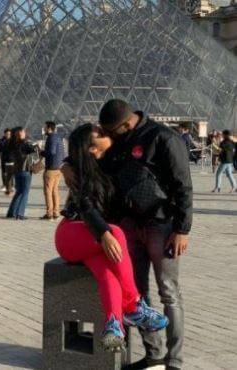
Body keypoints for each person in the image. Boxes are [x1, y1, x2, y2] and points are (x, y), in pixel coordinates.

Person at [63, 100, 192, 370]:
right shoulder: (120, 139)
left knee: (169, 292)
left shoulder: (163, 137)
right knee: (137, 291)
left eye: (111, 131)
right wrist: (66, 165)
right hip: (130, 225)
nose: (108, 135)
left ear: (126, 124)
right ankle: (153, 354)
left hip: (162, 225)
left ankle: (174, 361)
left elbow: (183, 185)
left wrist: (182, 229)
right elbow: (86, 153)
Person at [57, 124, 168, 352]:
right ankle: (134, 305)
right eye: (102, 133)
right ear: (91, 148)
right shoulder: (80, 171)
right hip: (72, 233)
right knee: (116, 233)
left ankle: (114, 326)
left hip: (93, 242)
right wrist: (104, 234)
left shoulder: (106, 163)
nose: (107, 133)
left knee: (108, 273)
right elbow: (86, 207)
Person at [6, 127, 38, 220]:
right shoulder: (24, 143)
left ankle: (11, 212)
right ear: (19, 133)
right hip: (25, 170)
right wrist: (36, 146)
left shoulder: (12, 144)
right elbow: (35, 150)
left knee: (19, 191)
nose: (25, 132)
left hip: (17, 171)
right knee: (25, 192)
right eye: (23, 131)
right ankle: (20, 213)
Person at [40, 121, 65, 221]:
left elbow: (51, 151)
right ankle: (56, 212)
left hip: (51, 169)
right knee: (55, 191)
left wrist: (42, 152)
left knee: (48, 192)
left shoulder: (51, 138)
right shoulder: (58, 137)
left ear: (49, 128)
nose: (44, 129)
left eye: (45, 127)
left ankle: (49, 213)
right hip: (58, 168)